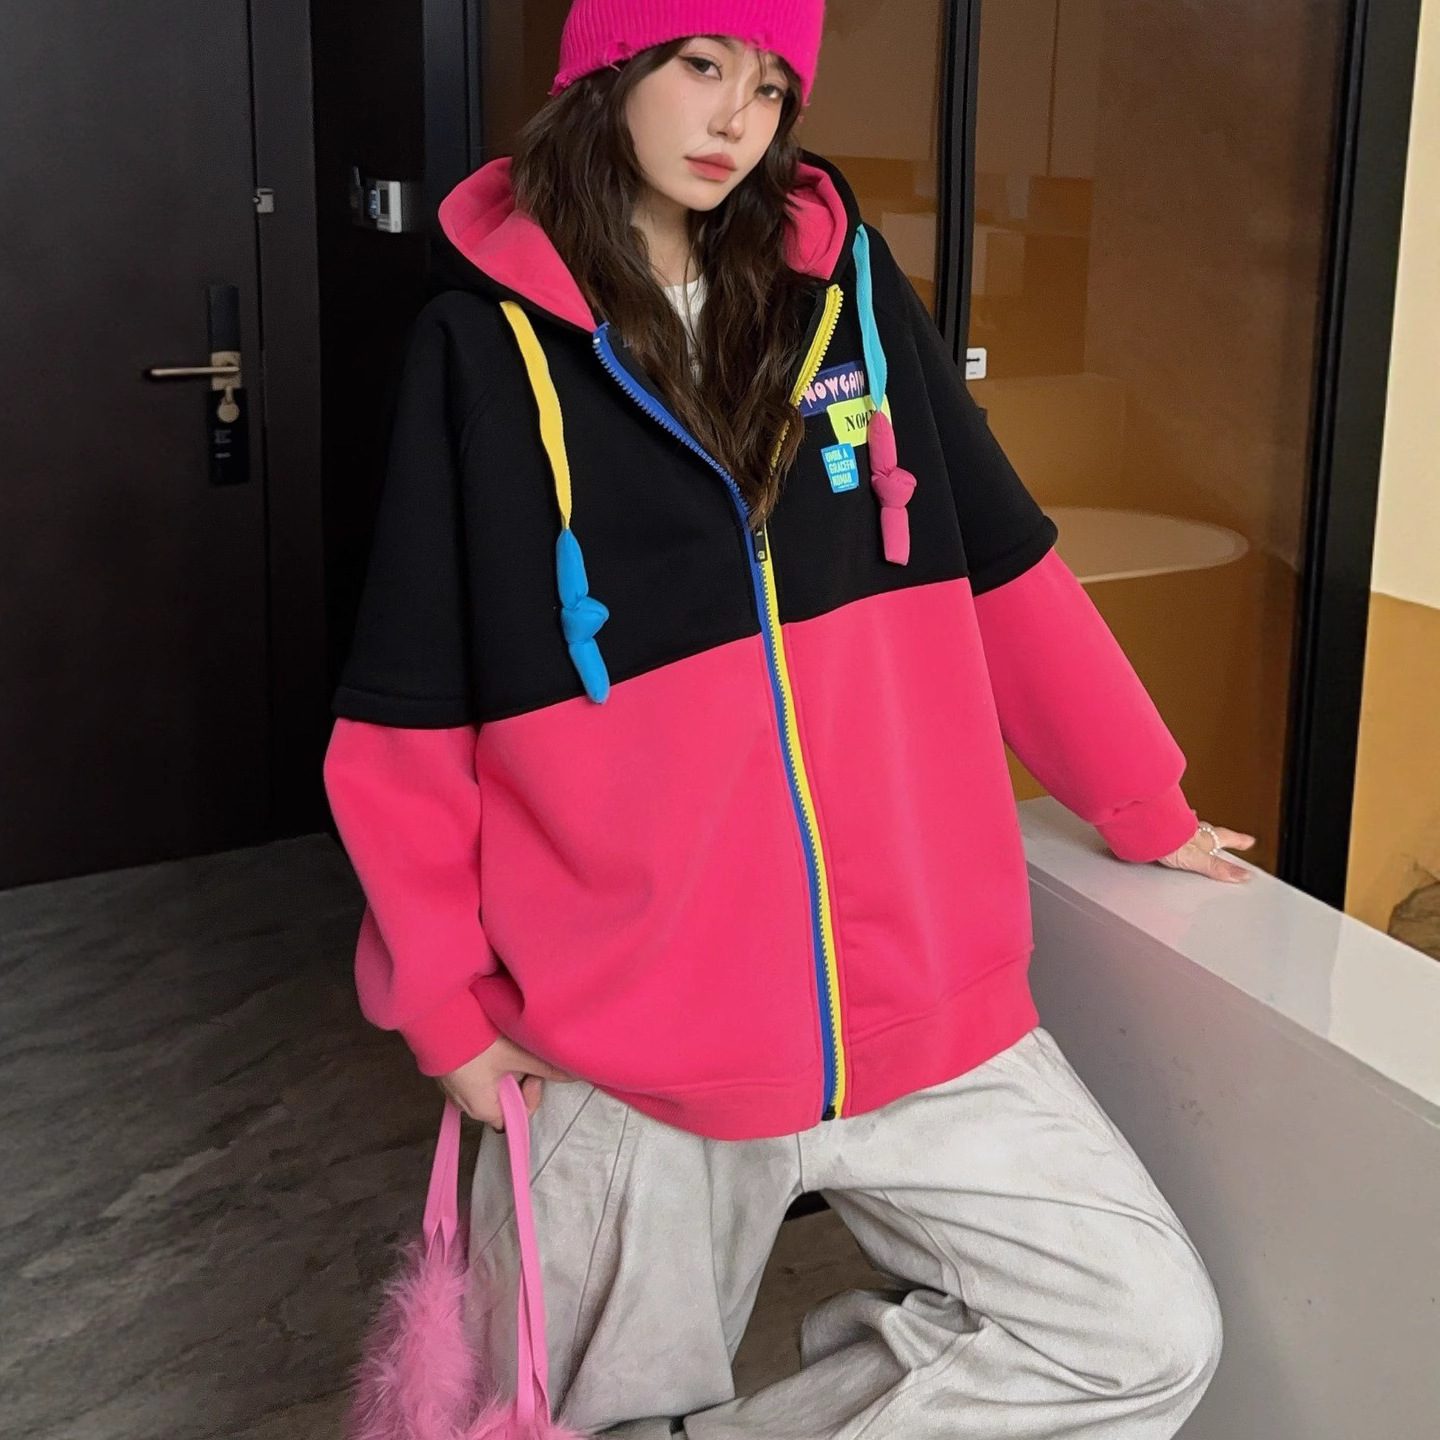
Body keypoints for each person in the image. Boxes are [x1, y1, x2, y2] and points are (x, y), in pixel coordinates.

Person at [324, 3, 1254, 1435]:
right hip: (626, 1039)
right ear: (608, 71)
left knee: (1138, 1335)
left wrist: (1143, 798)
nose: (734, 121)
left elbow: (1005, 568)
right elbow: (410, 706)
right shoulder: (479, 348)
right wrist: (439, 997)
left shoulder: (852, 299)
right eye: (701, 66)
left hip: (915, 1004)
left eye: (768, 87)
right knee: (563, 1415)